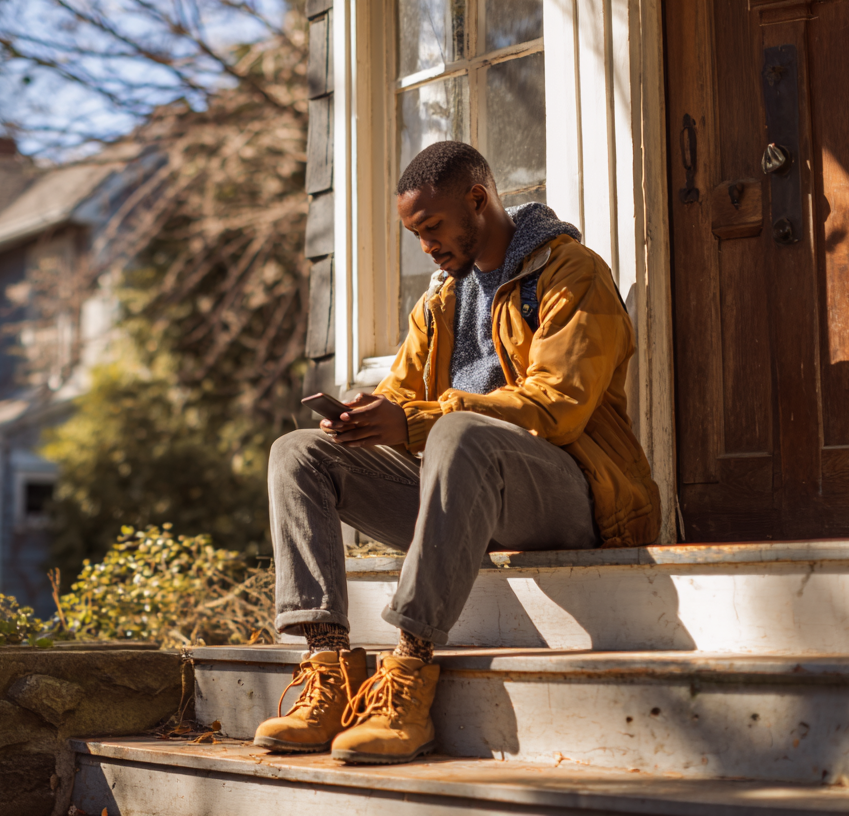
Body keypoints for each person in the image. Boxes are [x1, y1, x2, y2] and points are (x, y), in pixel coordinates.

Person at [253, 141, 661, 765]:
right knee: (298, 452)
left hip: (570, 492)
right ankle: (326, 667)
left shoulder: (572, 272)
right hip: (460, 493)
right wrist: (366, 420)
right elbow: (403, 396)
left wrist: (420, 422)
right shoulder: (443, 299)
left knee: (455, 429)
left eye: (432, 227)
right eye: (415, 234)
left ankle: (408, 676)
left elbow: (559, 406)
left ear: (478, 199)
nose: (427, 247)